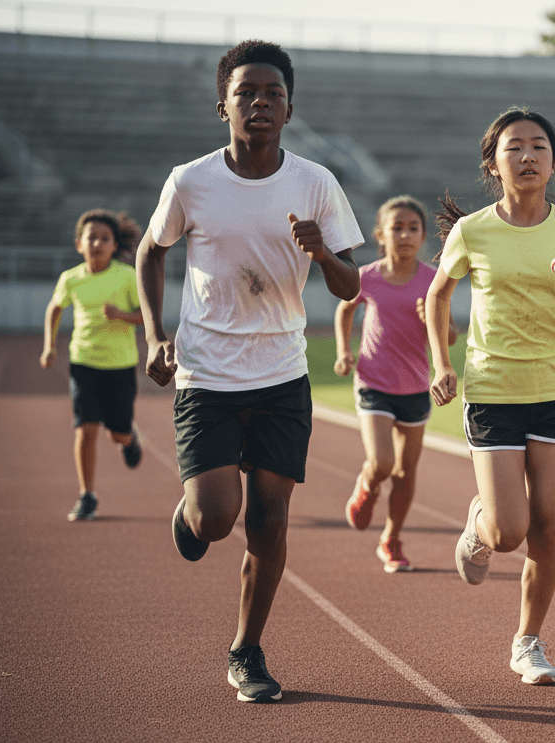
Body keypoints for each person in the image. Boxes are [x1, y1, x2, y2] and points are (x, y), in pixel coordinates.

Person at [135, 40, 363, 703]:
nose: (259, 103)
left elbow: (350, 287)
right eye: (246, 93)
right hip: (206, 374)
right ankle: (191, 516)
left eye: (272, 93)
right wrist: (154, 334)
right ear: (223, 106)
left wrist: (323, 254)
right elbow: (152, 253)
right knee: (215, 518)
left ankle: (247, 651)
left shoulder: (316, 183)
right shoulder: (191, 180)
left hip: (281, 374)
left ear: (289, 109)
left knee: (268, 521)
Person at [426, 106, 555, 685]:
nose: (527, 156)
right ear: (494, 163)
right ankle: (481, 520)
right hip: (492, 389)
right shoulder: (473, 230)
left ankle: (528, 641)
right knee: (509, 532)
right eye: (514, 147)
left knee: (549, 527)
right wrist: (441, 363)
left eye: (538, 147)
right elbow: (435, 297)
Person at [333, 195, 458, 573]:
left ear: (423, 238)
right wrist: (344, 350)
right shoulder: (367, 276)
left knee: (406, 472)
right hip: (373, 382)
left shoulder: (432, 281)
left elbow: (450, 336)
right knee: (383, 462)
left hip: (416, 387)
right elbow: (345, 308)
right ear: (380, 236)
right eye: (396, 228)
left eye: (413, 228)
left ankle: (391, 537)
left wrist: (429, 317)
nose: (404, 235)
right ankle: (367, 486)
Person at [40, 209, 145, 521]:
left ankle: (129, 436)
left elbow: (147, 315)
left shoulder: (127, 277)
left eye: (104, 238)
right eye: (91, 238)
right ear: (79, 244)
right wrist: (49, 346)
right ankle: (87, 496)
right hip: (83, 363)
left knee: (117, 435)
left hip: (120, 366)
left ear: (114, 246)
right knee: (85, 430)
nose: (97, 243)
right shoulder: (70, 279)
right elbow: (54, 309)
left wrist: (121, 315)